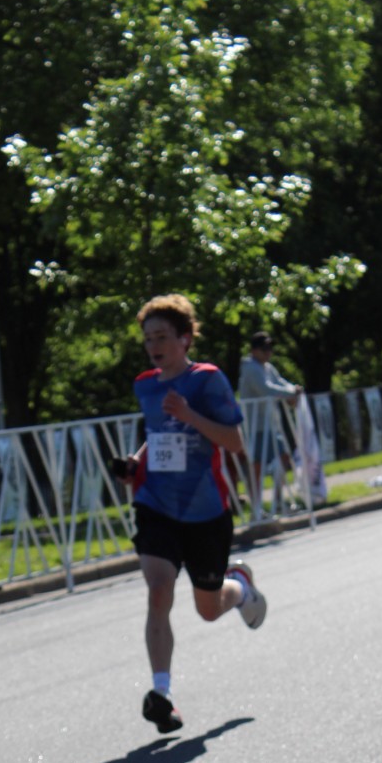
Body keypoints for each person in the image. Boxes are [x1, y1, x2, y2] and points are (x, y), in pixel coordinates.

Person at [114, 293, 266, 734]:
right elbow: (158, 435)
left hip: (205, 512)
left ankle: (240, 587)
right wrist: (135, 463)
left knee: (209, 609)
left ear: (185, 339)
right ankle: (161, 693)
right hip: (156, 504)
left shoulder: (207, 381)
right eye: (148, 339)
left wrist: (189, 413)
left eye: (162, 336)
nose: (154, 346)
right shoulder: (146, 385)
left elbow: (234, 442)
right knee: (158, 591)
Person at [237, 331, 302, 507]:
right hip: (255, 426)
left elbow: (280, 382)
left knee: (284, 456)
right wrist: (290, 393)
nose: (268, 352)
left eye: (270, 348)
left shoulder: (267, 367)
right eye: (264, 348)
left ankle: (278, 500)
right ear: (254, 350)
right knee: (256, 465)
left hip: (271, 424)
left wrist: (293, 389)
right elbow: (266, 389)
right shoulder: (250, 368)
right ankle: (256, 506)